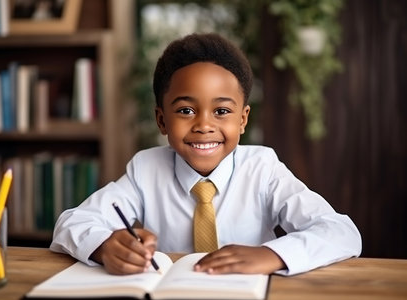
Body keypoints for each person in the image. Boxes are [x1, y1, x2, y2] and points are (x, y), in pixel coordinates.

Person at [50, 33, 361, 276]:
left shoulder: (263, 168)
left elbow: (342, 232)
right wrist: (105, 247)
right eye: (186, 110)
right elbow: (71, 223)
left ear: (242, 120)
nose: (203, 125)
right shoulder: (146, 169)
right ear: (162, 120)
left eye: (222, 111)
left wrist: (273, 255)